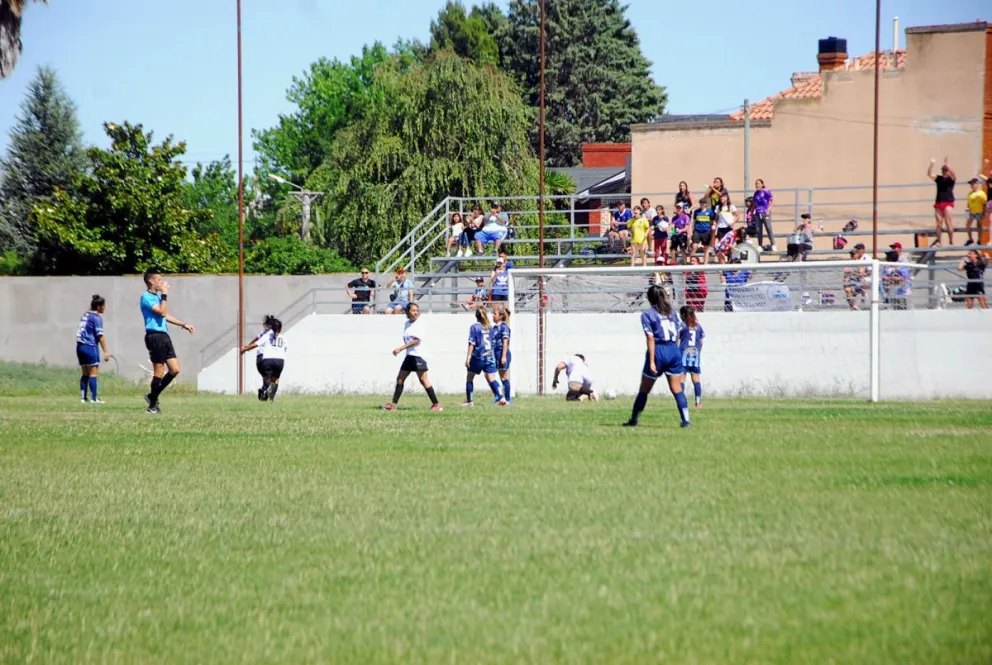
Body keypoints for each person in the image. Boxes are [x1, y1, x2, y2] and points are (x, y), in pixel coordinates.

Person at [624, 285, 690, 428]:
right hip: (673, 350)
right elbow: (682, 330)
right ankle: (686, 420)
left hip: (658, 350)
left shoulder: (647, 315)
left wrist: (652, 361)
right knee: (677, 388)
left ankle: (634, 419)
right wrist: (676, 349)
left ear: (649, 298)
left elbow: (650, 338)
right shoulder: (673, 313)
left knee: (644, 389)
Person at [140, 270, 195, 414]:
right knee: (159, 370)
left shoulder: (157, 297)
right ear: (151, 281)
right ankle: (152, 406)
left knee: (175, 369)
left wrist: (183, 324)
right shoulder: (146, 297)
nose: (162, 282)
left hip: (164, 335)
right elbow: (161, 312)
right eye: (159, 280)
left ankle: (152, 396)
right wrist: (165, 294)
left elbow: (166, 315)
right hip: (155, 336)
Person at [382, 303, 443, 412]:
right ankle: (394, 405)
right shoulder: (407, 324)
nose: (416, 312)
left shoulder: (420, 324)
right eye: (413, 310)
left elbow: (416, 340)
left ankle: (437, 405)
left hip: (418, 356)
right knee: (400, 378)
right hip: (410, 356)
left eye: (417, 310)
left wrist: (400, 348)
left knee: (423, 380)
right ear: (407, 312)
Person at [462, 308, 506, 407]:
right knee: (491, 378)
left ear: (476, 316)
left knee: (470, 377)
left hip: (478, 357)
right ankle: (501, 397)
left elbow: (472, 343)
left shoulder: (474, 327)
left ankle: (470, 401)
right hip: (489, 357)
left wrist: (468, 357)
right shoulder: (490, 327)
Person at [241, 317, 287, 402]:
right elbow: (285, 349)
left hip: (267, 360)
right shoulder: (284, 338)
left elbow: (256, 344)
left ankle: (264, 393)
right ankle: (271, 399)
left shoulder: (267, 335)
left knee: (267, 379)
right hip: (280, 360)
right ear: (280, 329)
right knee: (275, 380)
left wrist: (245, 349)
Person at [75, 294, 110, 404]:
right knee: (93, 373)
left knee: (85, 373)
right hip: (90, 346)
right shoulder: (96, 318)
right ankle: (94, 399)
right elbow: (100, 336)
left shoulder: (85, 315)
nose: (105, 308)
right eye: (103, 306)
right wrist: (106, 351)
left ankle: (83, 398)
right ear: (99, 306)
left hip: (80, 346)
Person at [679, 305, 704, 408]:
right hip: (695, 355)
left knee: (681, 379)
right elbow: (701, 342)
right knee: (696, 379)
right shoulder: (698, 326)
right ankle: (698, 402)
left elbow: (678, 340)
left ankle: (682, 402)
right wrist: (698, 352)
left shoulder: (682, 326)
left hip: (684, 355)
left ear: (684, 315)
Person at [928, 157, 956, 246]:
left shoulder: (951, 179)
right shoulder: (939, 178)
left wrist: (948, 165)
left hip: (948, 202)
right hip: (939, 202)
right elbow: (929, 174)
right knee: (939, 223)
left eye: (946, 169)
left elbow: (954, 174)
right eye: (943, 169)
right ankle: (939, 241)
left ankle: (951, 240)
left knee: (948, 221)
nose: (944, 171)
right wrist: (932, 165)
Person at [243, 315, 276, 383]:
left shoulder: (265, 333)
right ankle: (267, 390)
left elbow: (256, 340)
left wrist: (247, 347)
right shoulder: (271, 333)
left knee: (265, 376)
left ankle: (265, 389)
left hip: (260, 357)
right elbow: (256, 339)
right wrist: (247, 347)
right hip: (267, 357)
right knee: (269, 376)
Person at [491, 307, 512, 403]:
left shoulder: (503, 327)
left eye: (495, 314)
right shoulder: (495, 327)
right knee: (500, 376)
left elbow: (505, 342)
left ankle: (507, 399)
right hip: (496, 353)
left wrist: (503, 356)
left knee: (504, 376)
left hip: (502, 353)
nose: (493, 316)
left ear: (500, 316)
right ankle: (499, 396)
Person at [843, 243, 871, 310]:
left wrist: (853, 272)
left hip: (863, 281)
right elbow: (845, 275)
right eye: (851, 254)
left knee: (848, 290)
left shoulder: (865, 259)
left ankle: (855, 305)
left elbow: (864, 272)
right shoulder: (851, 263)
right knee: (847, 289)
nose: (852, 256)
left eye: (853, 254)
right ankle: (854, 306)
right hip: (854, 282)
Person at [752, 178, 776, 251]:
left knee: (768, 229)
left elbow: (772, 200)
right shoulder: (755, 193)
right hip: (758, 213)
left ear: (762, 184)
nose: (757, 185)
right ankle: (760, 245)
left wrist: (768, 209)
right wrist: (753, 213)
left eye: (759, 183)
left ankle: (773, 244)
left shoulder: (766, 191)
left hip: (765, 213)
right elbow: (754, 204)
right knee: (759, 230)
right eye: (756, 184)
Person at [690, 198, 716, 264]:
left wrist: (712, 228)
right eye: (700, 203)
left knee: (706, 248)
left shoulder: (710, 212)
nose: (701, 205)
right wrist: (691, 230)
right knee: (694, 246)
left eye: (703, 203)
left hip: (706, 231)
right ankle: (692, 262)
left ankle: (705, 264)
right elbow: (694, 221)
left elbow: (712, 221)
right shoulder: (696, 211)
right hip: (697, 231)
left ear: (706, 204)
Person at [966, 178, 987, 246]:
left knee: (979, 225)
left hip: (979, 211)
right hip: (972, 212)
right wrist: (968, 208)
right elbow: (969, 203)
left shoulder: (981, 193)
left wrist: (984, 212)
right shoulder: (970, 193)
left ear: (976, 184)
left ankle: (979, 240)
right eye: (971, 184)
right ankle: (970, 239)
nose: (971, 186)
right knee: (968, 224)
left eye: (973, 184)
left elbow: (984, 204)